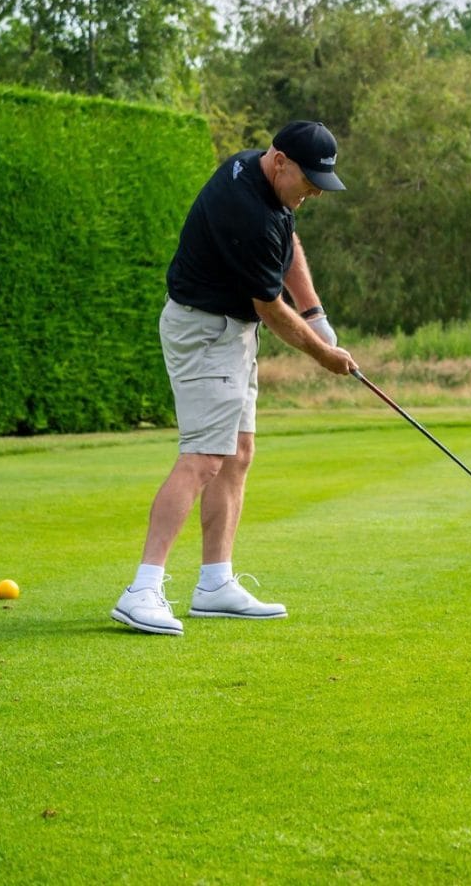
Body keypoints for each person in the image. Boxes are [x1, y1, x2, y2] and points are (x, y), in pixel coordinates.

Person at [112, 121, 356, 636]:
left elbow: (288, 243)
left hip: (232, 334)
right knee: (203, 457)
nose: (311, 193)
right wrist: (323, 354)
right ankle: (141, 589)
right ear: (280, 160)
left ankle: (215, 583)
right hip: (203, 332)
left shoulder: (267, 186)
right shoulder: (245, 209)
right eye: (308, 182)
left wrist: (315, 312)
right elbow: (269, 307)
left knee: (238, 453)